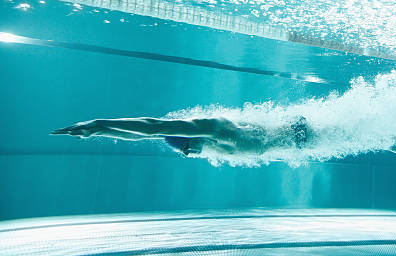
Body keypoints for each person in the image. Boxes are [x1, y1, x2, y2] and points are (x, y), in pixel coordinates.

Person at [51, 115, 315, 157]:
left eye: (187, 149)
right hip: (299, 142)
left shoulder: (214, 128)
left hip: (302, 132)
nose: (190, 154)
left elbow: (153, 127)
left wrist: (99, 121)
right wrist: (100, 132)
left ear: (189, 138)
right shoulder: (211, 141)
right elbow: (144, 137)